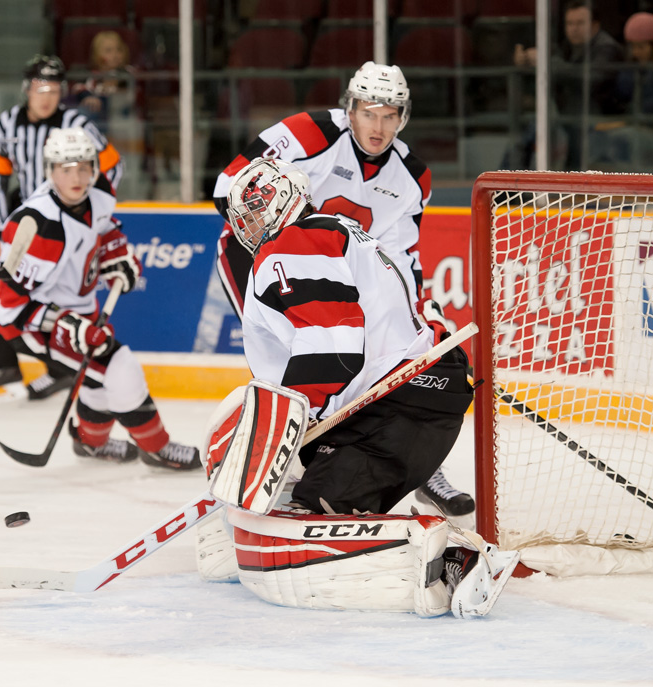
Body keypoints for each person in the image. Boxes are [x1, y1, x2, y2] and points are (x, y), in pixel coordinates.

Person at [195, 157, 518, 617]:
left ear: (286, 200)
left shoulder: (293, 243)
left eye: (256, 207)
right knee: (303, 502)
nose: (247, 222)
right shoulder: (337, 233)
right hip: (404, 398)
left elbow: (334, 346)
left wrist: (288, 422)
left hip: (395, 404)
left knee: (313, 517)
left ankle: (457, 558)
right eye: (242, 213)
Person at [210, 60, 475, 519]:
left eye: (390, 114)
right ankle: (276, 449)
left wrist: (420, 310)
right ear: (350, 109)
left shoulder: (412, 176)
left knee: (386, 351)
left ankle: (416, 464)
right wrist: (283, 256)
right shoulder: (310, 133)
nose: (379, 125)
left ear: (403, 117)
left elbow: (401, 258)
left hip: (348, 267)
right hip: (269, 253)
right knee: (286, 349)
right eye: (370, 112)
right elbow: (230, 189)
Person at [0, 127, 198, 470]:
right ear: (49, 171)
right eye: (66, 169)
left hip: (78, 310)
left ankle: (90, 443)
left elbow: (105, 228)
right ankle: (157, 448)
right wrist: (66, 324)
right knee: (120, 366)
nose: (77, 177)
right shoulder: (40, 226)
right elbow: (6, 302)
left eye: (84, 167)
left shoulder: (98, 193)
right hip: (29, 322)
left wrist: (118, 257)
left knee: (97, 377)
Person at [0, 54, 125, 403]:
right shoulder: (6, 124)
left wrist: (90, 207)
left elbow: (113, 166)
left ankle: (61, 370)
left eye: (54, 89)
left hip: (69, 217)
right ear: (27, 90)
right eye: (41, 88)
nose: (47, 97)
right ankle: (3, 365)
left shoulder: (77, 123)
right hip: (26, 217)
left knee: (63, 285)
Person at [513, 0, 624, 169]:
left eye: (580, 23)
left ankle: (513, 184)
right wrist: (527, 60)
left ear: (595, 25)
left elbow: (592, 79)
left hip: (599, 115)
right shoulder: (568, 47)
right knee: (529, 130)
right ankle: (511, 182)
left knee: (540, 127)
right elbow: (556, 68)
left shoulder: (607, 48)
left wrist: (546, 62)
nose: (574, 28)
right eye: (570, 23)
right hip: (569, 115)